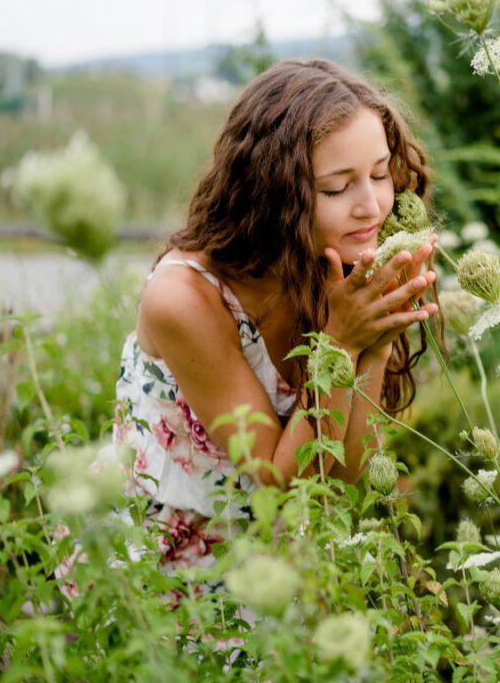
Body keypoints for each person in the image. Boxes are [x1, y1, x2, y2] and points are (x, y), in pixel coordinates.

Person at [108, 59, 440, 571]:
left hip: (271, 572)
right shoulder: (184, 299)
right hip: (165, 574)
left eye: (380, 174)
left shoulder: (329, 270)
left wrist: (377, 336)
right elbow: (283, 483)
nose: (372, 206)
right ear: (272, 191)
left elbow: (340, 478)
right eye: (336, 187)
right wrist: (343, 343)